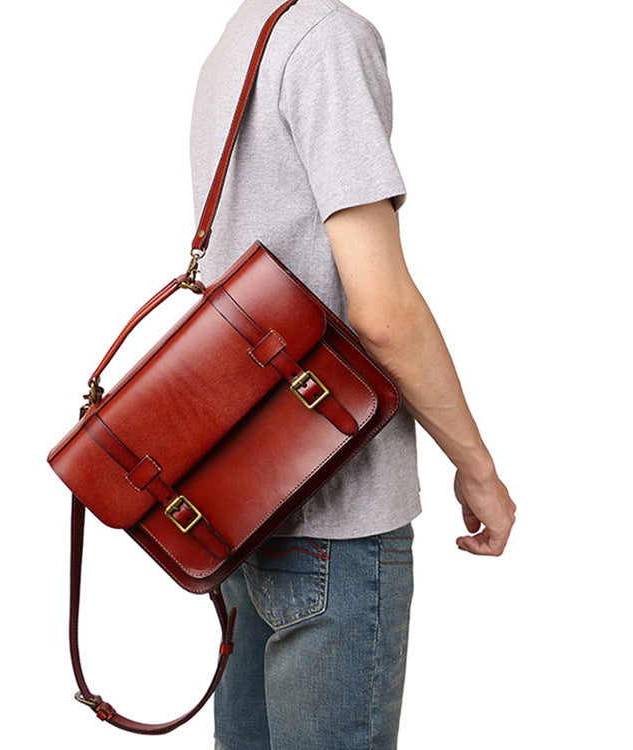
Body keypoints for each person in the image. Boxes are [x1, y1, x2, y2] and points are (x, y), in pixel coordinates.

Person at [189, 0, 516, 747]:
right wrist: (478, 469)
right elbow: (383, 312)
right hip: (337, 512)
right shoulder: (328, 39)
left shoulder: (241, 38)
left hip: (243, 505)